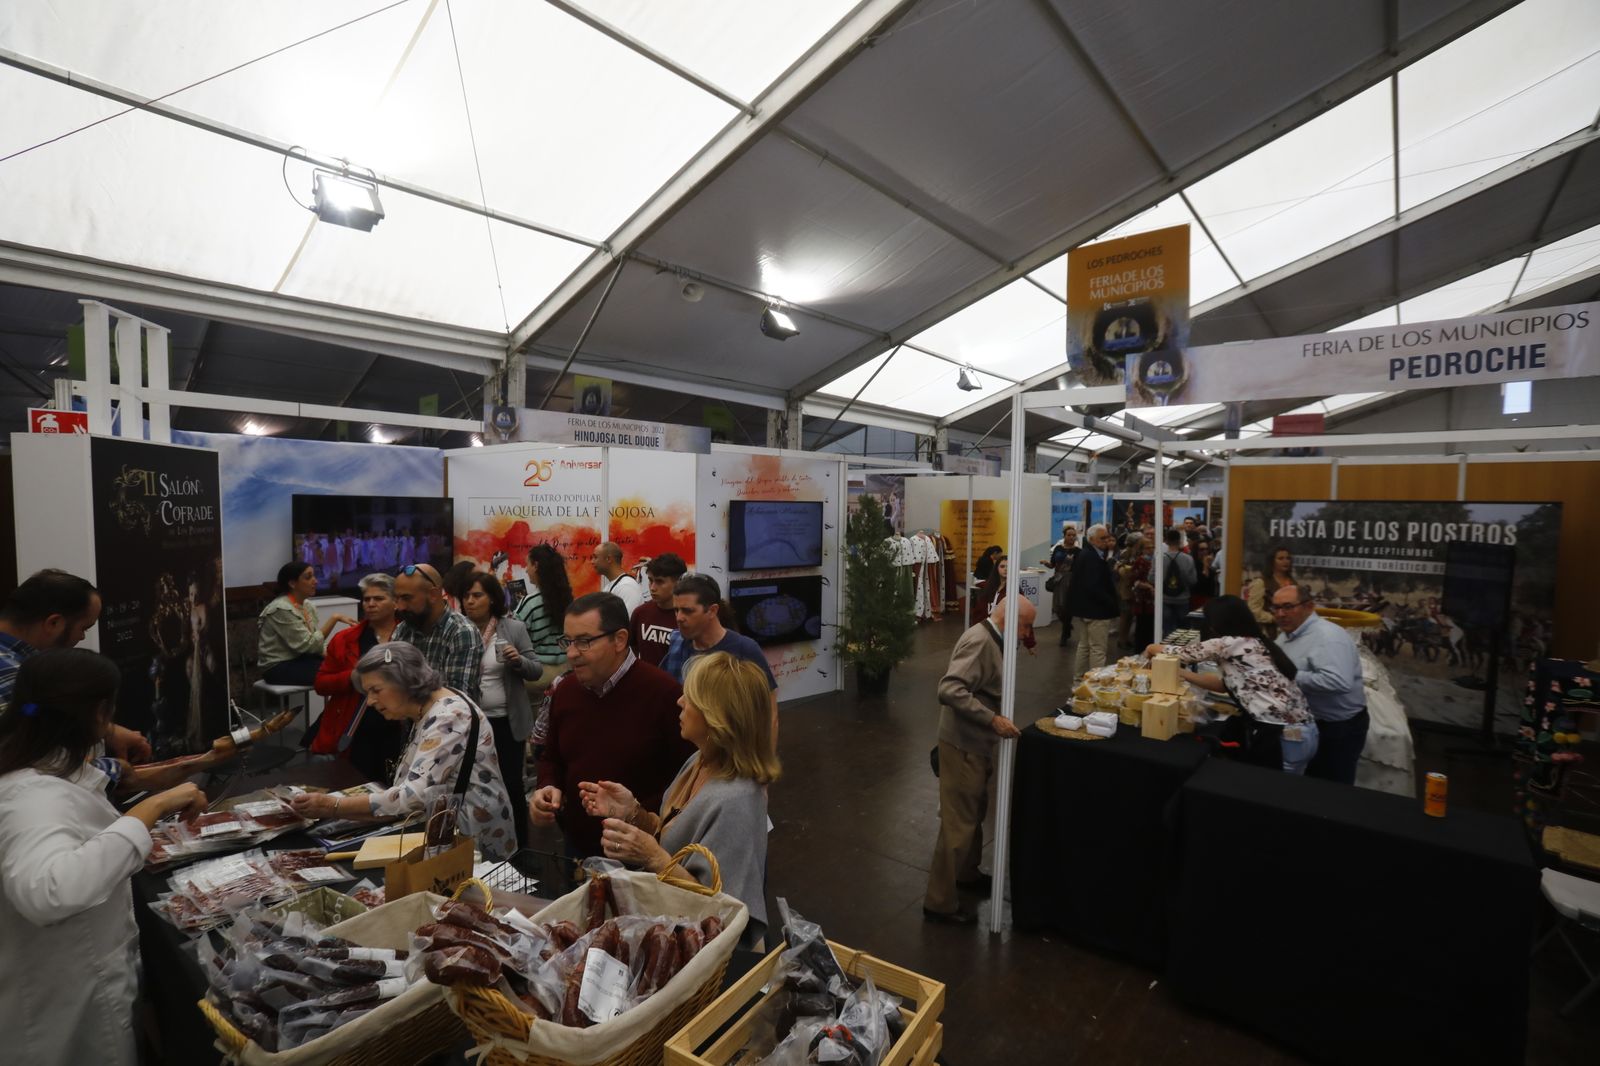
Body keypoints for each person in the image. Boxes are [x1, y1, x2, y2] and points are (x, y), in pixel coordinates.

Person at [0, 649, 207, 1066]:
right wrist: (148, 811)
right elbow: (47, 891)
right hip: (61, 996)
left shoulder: (43, 770)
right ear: (99, 713)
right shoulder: (31, 796)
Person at [580, 651, 779, 949]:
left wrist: (652, 857)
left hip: (709, 958)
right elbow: (678, 838)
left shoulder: (737, 800)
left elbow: (722, 913)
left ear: (717, 716)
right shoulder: (700, 762)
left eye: (690, 697)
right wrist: (634, 813)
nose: (680, 702)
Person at [289, 642, 516, 859]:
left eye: (376, 690)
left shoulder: (449, 717)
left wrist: (332, 806)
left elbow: (412, 796)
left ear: (405, 681)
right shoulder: (431, 706)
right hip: (457, 829)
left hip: (474, 840)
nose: (370, 701)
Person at [531, 593, 694, 859]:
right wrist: (547, 786)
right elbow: (552, 758)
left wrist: (640, 815)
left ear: (619, 639)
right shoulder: (566, 690)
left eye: (584, 642)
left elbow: (687, 779)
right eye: (568, 641)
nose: (571, 653)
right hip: (578, 849)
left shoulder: (664, 694)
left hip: (643, 855)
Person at [924, 597, 1035, 925]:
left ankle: (967, 876)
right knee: (959, 824)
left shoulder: (993, 638)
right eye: (1025, 625)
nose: (1028, 633)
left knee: (971, 815)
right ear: (1008, 619)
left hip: (975, 744)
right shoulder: (980, 641)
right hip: (963, 744)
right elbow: (950, 689)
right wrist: (991, 719)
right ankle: (939, 903)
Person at [1145, 595, 1318, 774]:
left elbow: (1182, 653)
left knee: (1274, 790)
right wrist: (1180, 672)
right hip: (1302, 733)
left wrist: (1150, 648)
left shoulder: (1229, 643)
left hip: (1284, 734)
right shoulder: (1256, 642)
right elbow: (1224, 685)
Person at [461, 570, 542, 846]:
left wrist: (517, 660)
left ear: (493, 598)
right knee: (473, 788)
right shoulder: (459, 629)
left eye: (477, 595)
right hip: (470, 724)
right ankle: (480, 847)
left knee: (511, 785)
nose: (470, 601)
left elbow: (535, 670)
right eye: (466, 596)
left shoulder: (512, 628)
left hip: (505, 722)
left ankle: (521, 849)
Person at [660, 574, 779, 743]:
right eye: (676, 610)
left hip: (730, 754)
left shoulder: (744, 649)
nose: (679, 617)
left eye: (687, 610)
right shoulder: (677, 643)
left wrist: (763, 764)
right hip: (685, 752)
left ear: (712, 610)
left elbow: (769, 715)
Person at [1271, 584, 1368, 785]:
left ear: (1309, 606)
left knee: (1331, 789)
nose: (1281, 614)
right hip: (1310, 723)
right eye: (1276, 608)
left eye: (1288, 607)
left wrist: (1290, 676)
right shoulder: (1286, 634)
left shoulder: (1329, 637)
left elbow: (1338, 681)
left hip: (1337, 729)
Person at [309, 572, 400, 759]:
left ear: (395, 602)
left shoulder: (410, 637)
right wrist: (352, 677)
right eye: (367, 599)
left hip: (398, 725)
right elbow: (321, 684)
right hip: (354, 725)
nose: (371, 604)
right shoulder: (345, 639)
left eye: (378, 598)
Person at [393, 563, 482, 702]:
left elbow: (456, 700)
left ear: (433, 595)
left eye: (407, 598)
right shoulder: (403, 630)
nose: (400, 607)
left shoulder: (461, 631)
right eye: (396, 599)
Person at [258, 562, 354, 687]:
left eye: (314, 576)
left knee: (347, 665)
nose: (315, 581)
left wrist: (335, 657)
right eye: (308, 577)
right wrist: (334, 619)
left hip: (301, 659)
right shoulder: (281, 608)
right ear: (292, 583)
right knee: (342, 674)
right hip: (278, 666)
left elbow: (316, 642)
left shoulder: (307, 605)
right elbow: (309, 645)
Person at [511, 543, 573, 691]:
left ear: (536, 565)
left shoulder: (530, 602)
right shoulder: (568, 599)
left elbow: (514, 636)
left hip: (537, 675)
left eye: (527, 564)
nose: (526, 570)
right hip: (565, 672)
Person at [1065, 525, 1119, 675]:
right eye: (1102, 538)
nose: (1106, 541)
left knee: (1085, 647)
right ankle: (1095, 684)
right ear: (1091, 539)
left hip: (1086, 609)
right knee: (1097, 649)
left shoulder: (1088, 554)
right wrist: (1110, 602)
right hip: (1097, 611)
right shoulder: (1092, 557)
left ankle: (1080, 681)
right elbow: (1093, 585)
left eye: (1107, 537)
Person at [630, 552, 687, 667]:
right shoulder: (640, 613)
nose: (652, 587)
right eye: (650, 580)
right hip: (647, 682)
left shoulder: (688, 616)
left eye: (660, 582)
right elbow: (632, 649)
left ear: (678, 582)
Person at [1040, 523, 1080, 647]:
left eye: (1074, 535)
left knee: (1068, 607)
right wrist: (1046, 563)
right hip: (1058, 579)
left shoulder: (1079, 552)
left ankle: (1064, 634)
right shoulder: (1058, 549)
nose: (1072, 537)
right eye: (1069, 535)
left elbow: (1080, 568)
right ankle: (1067, 625)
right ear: (1064, 536)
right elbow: (1052, 565)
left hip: (1072, 580)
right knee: (1057, 607)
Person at [1247, 544, 1297, 632]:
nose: (1285, 561)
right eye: (1281, 558)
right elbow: (1253, 611)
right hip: (1269, 631)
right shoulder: (1261, 583)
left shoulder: (1293, 583)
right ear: (1272, 561)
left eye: (1288, 558)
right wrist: (1274, 618)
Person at [1160, 528, 1197, 636]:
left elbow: (1151, 578)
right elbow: (1193, 580)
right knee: (1183, 632)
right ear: (1179, 541)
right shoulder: (1188, 559)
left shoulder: (1159, 558)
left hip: (1164, 598)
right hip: (1183, 599)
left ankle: (1167, 652)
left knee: (1167, 630)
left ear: (1166, 541)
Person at [591, 542, 644, 613]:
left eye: (595, 557)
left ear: (608, 559)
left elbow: (626, 621)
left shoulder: (627, 587)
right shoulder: (609, 587)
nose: (592, 561)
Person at [968, 554, 1007, 626]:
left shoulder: (1015, 589)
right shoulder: (990, 587)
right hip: (987, 625)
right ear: (997, 568)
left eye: (1008, 567)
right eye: (1002, 566)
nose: (1005, 569)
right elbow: (980, 609)